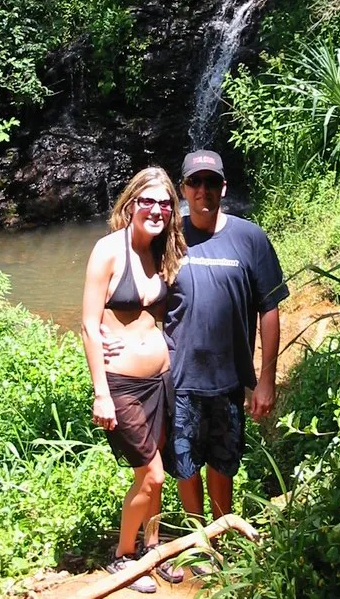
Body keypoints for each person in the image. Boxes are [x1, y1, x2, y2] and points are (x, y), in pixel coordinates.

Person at [102, 150, 289, 578]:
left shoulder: (250, 238)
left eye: (211, 183)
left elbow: (270, 309)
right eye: (194, 183)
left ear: (223, 187)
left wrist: (266, 380)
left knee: (223, 464)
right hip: (177, 380)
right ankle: (197, 541)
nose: (203, 191)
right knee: (185, 466)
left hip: (228, 380)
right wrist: (109, 333)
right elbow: (128, 283)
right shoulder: (168, 237)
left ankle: (221, 540)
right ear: (183, 190)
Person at [81, 166, 186, 593]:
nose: (157, 210)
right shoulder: (108, 250)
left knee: (151, 472)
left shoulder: (163, 252)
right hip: (122, 386)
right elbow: (89, 324)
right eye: (149, 201)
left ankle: (152, 549)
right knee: (153, 474)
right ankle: (123, 559)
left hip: (161, 381)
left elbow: (154, 316)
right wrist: (101, 393)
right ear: (131, 204)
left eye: (165, 203)